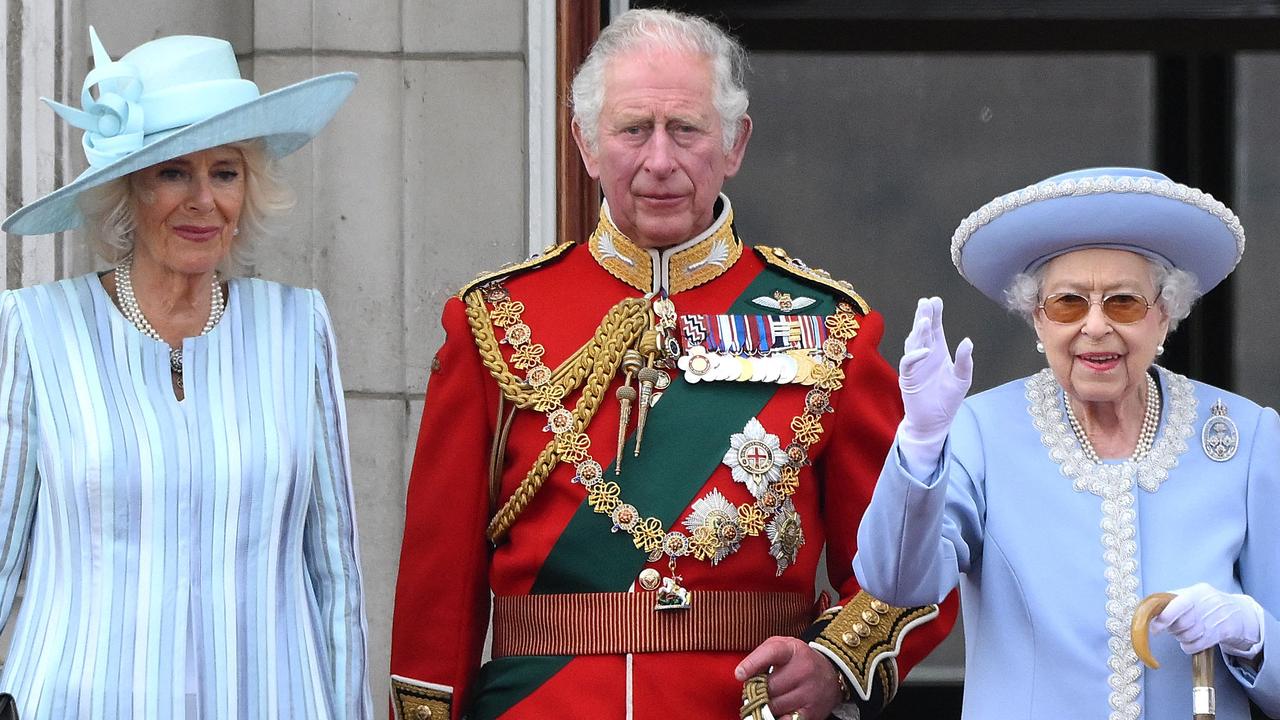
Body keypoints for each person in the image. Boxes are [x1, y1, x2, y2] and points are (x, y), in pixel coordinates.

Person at [389, 8, 954, 720]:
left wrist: (833, 664)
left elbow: (908, 559)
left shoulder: (830, 328)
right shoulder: (496, 319)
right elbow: (435, 595)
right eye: (633, 130)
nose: (660, 160)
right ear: (586, 145)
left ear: (734, 143)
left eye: (686, 129)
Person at [0, 29, 372, 718]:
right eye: (173, 171)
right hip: (78, 701)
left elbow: (336, 574)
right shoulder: (37, 330)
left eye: (224, 172)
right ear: (127, 190)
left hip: (270, 700)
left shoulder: (297, 329)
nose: (203, 200)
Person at [853, 166, 1280, 719]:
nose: (1096, 327)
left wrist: (1252, 635)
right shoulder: (981, 434)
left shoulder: (1245, 438)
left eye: (1123, 303)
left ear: (1165, 314)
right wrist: (921, 440)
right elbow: (898, 583)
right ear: (1037, 318)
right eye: (1068, 304)